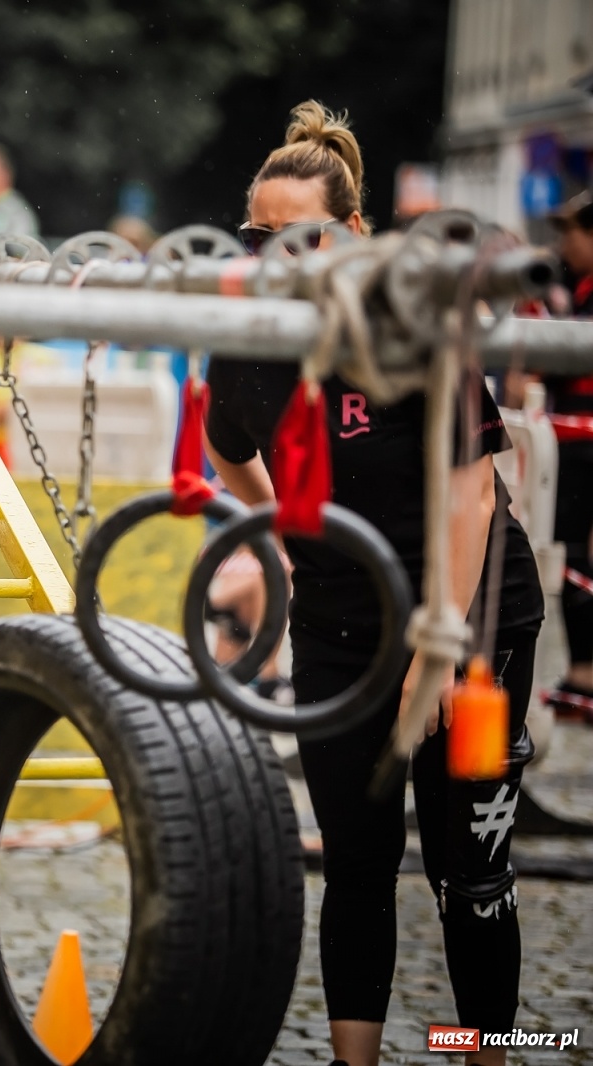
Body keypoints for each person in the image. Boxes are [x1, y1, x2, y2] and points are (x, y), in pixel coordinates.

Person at [202, 101, 543, 1066]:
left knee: (470, 874)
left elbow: (474, 493)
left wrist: (444, 650)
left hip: (475, 629)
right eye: (258, 237)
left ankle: (485, 1052)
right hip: (339, 631)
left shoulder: (408, 324)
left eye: (301, 234)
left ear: (353, 230)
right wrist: (287, 531)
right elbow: (226, 449)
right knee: (356, 865)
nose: (278, 255)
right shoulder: (248, 342)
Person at [543, 191, 593, 717]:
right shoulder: (577, 291)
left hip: (582, 449)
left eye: (571, 234)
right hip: (572, 445)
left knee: (573, 555)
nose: (564, 245)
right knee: (573, 558)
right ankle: (582, 673)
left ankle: (584, 676)